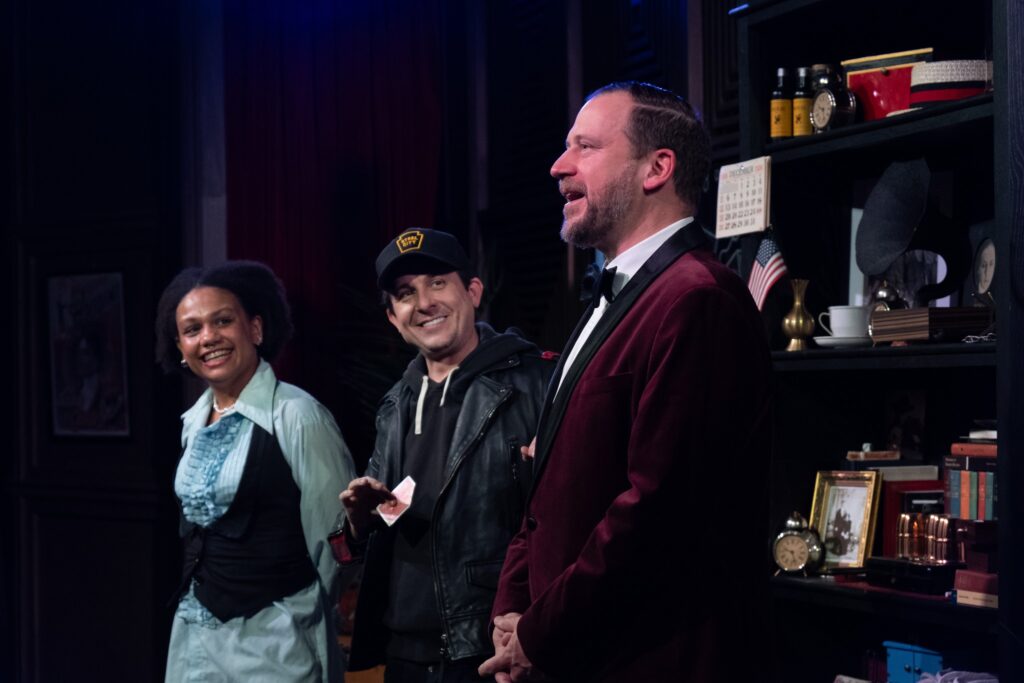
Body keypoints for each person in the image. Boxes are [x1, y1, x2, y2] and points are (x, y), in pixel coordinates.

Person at [479, 82, 773, 682]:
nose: (558, 166)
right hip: (575, 652)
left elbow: (657, 512)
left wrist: (538, 631)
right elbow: (547, 489)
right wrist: (513, 606)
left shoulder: (699, 299)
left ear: (656, 168)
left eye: (585, 147)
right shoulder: (609, 299)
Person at [332, 228, 555, 682]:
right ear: (394, 318)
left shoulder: (536, 384)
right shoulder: (395, 405)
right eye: (405, 293)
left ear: (473, 291)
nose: (424, 302)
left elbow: (565, 521)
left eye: (437, 282)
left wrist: (532, 623)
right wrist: (359, 519)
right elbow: (375, 527)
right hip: (403, 653)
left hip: (490, 647)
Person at [155, 261, 357, 682]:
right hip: (196, 642)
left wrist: (312, 623)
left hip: (277, 645)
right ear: (180, 348)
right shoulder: (192, 422)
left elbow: (333, 545)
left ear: (256, 329)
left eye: (223, 321)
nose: (208, 338)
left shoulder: (299, 416)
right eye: (192, 330)